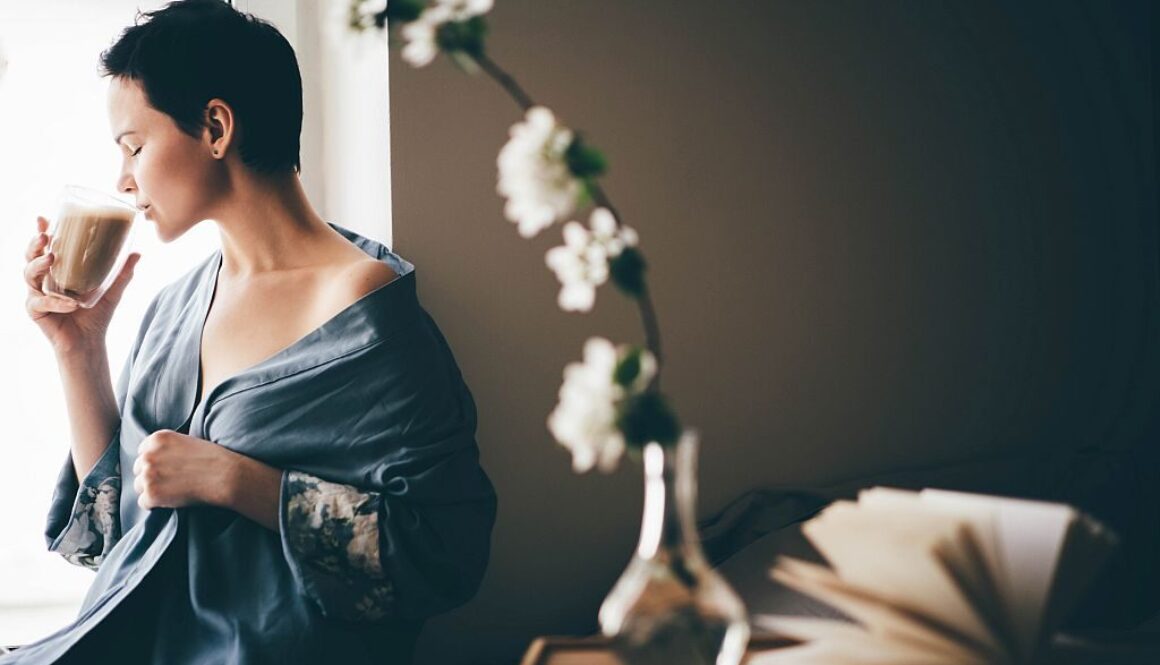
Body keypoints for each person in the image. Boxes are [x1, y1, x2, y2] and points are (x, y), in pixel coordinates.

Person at [7, 1, 497, 663]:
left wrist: (238, 481)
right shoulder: (175, 309)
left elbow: (445, 549)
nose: (124, 179)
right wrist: (78, 349)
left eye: (134, 146)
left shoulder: (360, 306)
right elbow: (114, 542)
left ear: (215, 126)